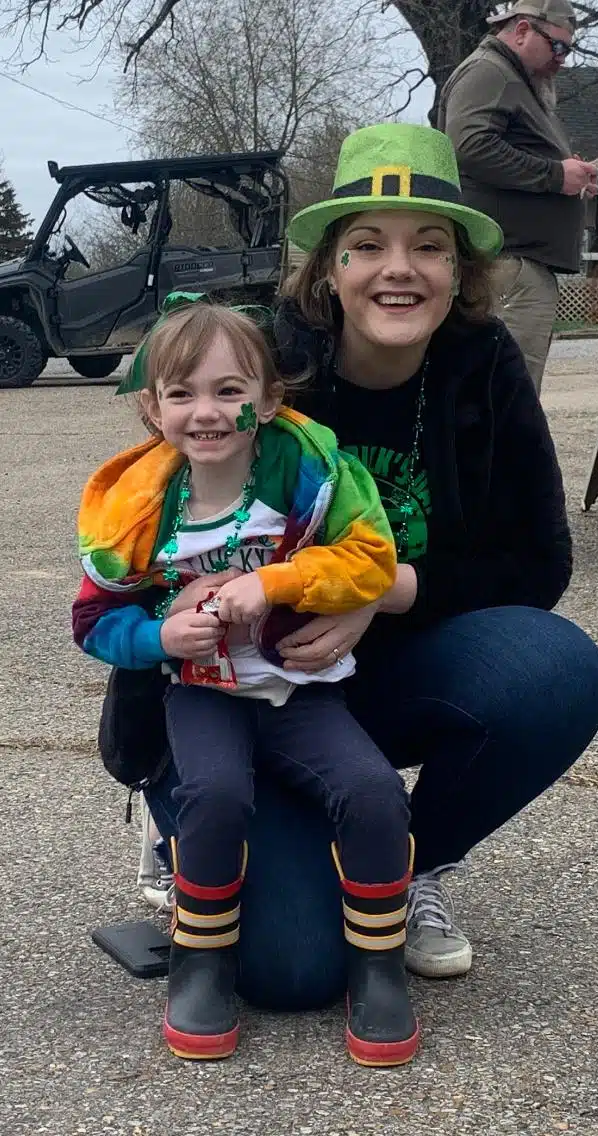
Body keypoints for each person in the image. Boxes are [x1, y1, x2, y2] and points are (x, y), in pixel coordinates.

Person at [107, 121, 598, 1015]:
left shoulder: (481, 363)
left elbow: (540, 560)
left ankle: (407, 868)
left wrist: (375, 590)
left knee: (557, 668)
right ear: (328, 269)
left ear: (460, 271)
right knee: (291, 973)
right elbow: (148, 537)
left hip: (373, 681)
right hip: (238, 689)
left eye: (430, 246)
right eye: (366, 245)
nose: (398, 269)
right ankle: (181, 807)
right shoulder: (266, 366)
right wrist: (164, 661)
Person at [73, 297, 420, 1066]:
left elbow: (371, 560)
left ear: (267, 398)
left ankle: (379, 966)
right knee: (217, 793)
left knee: (372, 791)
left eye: (230, 391)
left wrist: (282, 581)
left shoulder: (314, 475)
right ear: (151, 406)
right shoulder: (137, 510)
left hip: (304, 690)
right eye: (183, 393)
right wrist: (161, 634)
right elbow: (93, 623)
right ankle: (202, 960)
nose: (208, 412)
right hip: (202, 693)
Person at [437, 0, 598, 392]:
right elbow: (469, 146)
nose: (562, 58)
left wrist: (567, 173)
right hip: (507, 266)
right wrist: (555, 175)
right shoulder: (490, 71)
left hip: (518, 265)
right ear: (523, 30)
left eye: (568, 50)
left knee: (508, 395)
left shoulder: (513, 79)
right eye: (557, 46)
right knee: (505, 396)